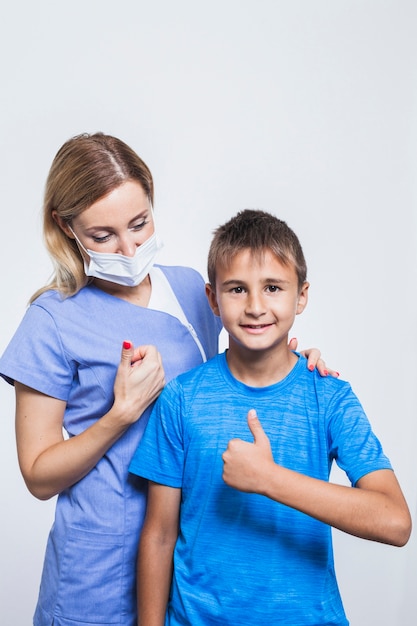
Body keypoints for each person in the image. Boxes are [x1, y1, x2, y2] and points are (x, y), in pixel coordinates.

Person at [0, 136, 327, 626]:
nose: (130, 249)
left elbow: (225, 384)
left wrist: (290, 362)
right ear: (66, 228)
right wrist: (121, 414)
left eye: (139, 223)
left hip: (191, 560)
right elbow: (38, 476)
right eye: (103, 235)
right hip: (98, 570)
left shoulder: (193, 290)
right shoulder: (52, 320)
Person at [129, 209, 412, 626]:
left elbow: (395, 522)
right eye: (237, 289)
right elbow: (159, 535)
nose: (256, 306)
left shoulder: (329, 396)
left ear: (301, 295)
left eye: (273, 287)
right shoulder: (181, 399)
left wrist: (270, 479)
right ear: (212, 299)